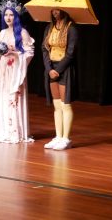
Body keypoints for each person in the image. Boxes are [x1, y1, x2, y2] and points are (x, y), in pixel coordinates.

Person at [0, 0, 35, 143]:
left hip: (15, 71)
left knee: (13, 98)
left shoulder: (23, 33)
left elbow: (29, 53)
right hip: (3, 70)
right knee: (1, 97)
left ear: (16, 16)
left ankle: (14, 130)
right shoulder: (3, 32)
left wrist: (14, 52)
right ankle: (1, 128)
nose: (8, 18)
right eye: (6, 15)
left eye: (11, 15)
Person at [42, 9, 78, 151]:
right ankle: (58, 136)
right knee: (57, 105)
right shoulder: (49, 27)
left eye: (58, 10)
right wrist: (49, 68)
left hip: (64, 68)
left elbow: (70, 53)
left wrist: (58, 70)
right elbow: (44, 49)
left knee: (65, 104)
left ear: (64, 10)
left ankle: (65, 138)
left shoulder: (71, 29)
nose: (55, 12)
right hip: (51, 68)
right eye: (53, 9)